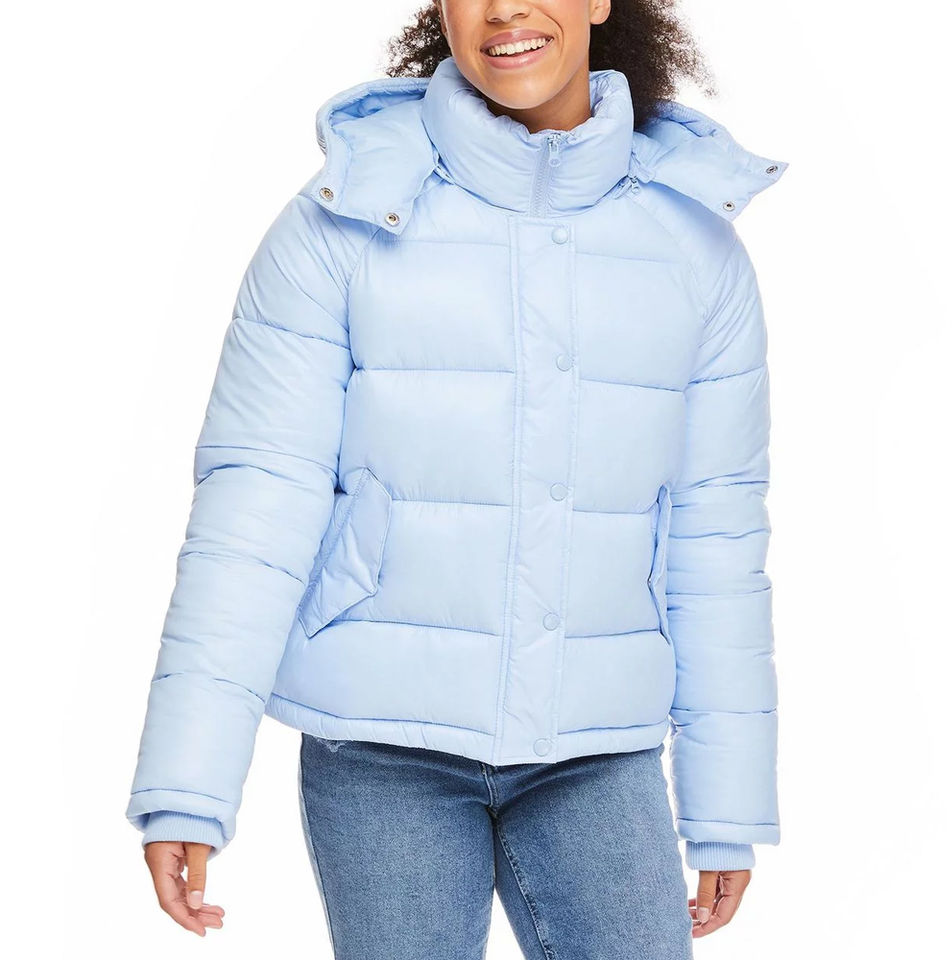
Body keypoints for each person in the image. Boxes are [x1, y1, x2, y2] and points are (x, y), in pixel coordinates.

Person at [126, 1, 787, 955]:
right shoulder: (343, 219)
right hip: (381, 746)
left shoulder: (694, 247)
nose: (505, 7)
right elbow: (254, 506)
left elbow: (716, 535)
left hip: (599, 749)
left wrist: (726, 805)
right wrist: (188, 784)